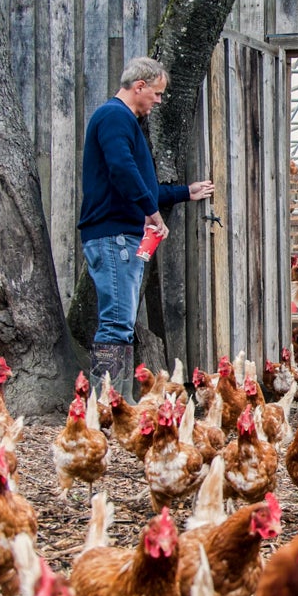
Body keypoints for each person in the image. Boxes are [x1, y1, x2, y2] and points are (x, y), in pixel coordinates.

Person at [79, 56, 213, 397]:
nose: (158, 100)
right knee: (115, 323)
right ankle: (108, 404)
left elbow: (139, 181)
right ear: (139, 86)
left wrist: (184, 192)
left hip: (121, 235)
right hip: (113, 236)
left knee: (120, 321)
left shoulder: (121, 120)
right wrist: (152, 213)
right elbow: (122, 169)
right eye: (156, 93)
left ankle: (113, 403)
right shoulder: (114, 116)